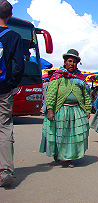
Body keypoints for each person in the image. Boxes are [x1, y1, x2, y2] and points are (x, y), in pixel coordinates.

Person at [39, 49, 91, 168]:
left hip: (77, 110)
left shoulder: (80, 78)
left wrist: (87, 109)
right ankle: (59, 153)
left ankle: (68, 158)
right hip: (61, 110)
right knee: (61, 135)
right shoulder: (57, 77)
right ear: (65, 62)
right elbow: (51, 94)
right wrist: (50, 110)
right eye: (70, 61)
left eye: (74, 62)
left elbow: (86, 96)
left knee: (75, 135)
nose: (72, 64)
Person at [0, 0, 25, 187]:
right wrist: (11, 84)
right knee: (4, 127)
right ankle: (6, 170)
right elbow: (19, 66)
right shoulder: (13, 36)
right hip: (4, 89)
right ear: (10, 16)